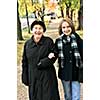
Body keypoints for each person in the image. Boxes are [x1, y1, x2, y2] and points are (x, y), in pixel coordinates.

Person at [21, 20, 60, 100]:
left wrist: (43, 62)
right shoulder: (27, 44)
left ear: (43, 30)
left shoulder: (48, 41)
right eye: (35, 28)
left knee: (48, 96)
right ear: (32, 30)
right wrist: (24, 76)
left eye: (40, 28)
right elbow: (24, 61)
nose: (37, 30)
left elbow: (54, 55)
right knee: (35, 96)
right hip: (33, 76)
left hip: (47, 76)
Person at [55, 18, 83, 100]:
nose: (66, 29)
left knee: (76, 97)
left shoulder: (77, 39)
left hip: (76, 72)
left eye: (68, 27)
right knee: (68, 96)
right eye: (63, 27)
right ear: (61, 29)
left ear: (72, 27)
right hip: (64, 73)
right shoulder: (58, 41)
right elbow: (54, 52)